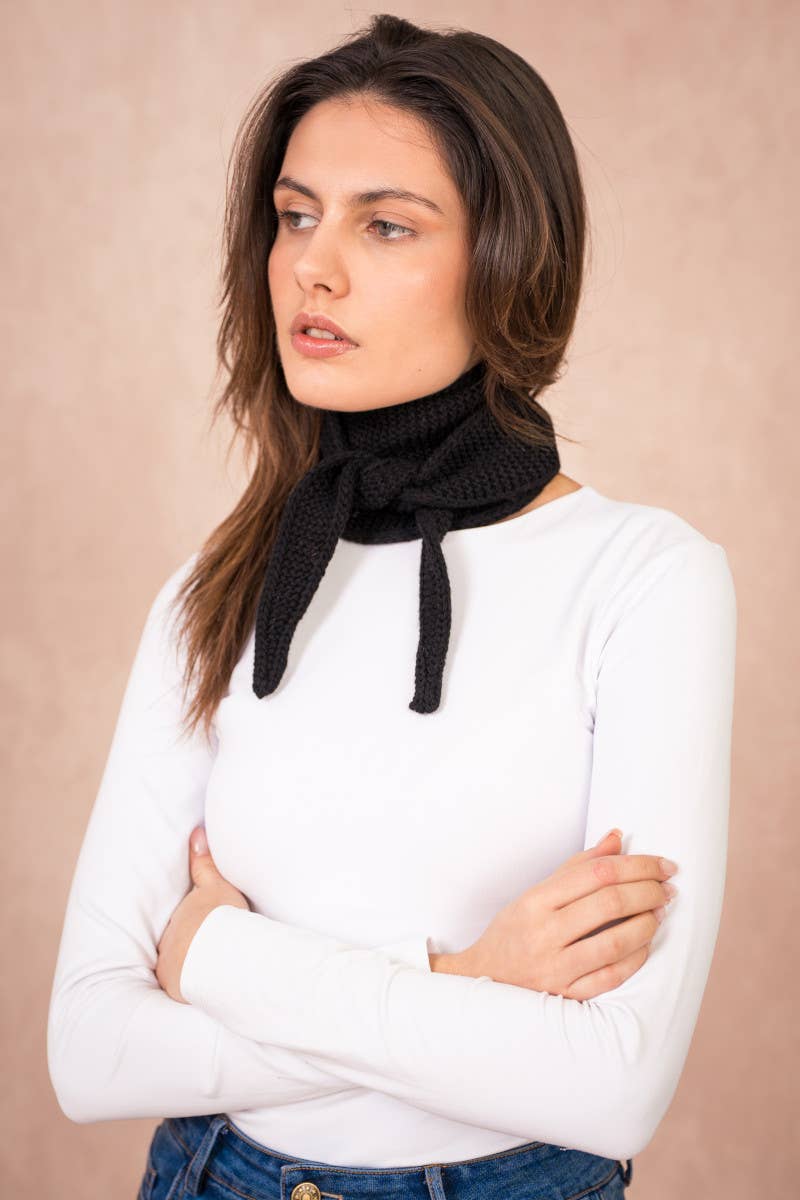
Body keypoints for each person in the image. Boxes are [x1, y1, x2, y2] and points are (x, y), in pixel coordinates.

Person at [46, 14, 737, 1200]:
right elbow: (92, 1052)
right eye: (294, 214)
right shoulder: (220, 587)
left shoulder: (643, 578)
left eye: (384, 225)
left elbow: (611, 1086)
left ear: (508, 260)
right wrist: (460, 979)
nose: (312, 267)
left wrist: (213, 954)